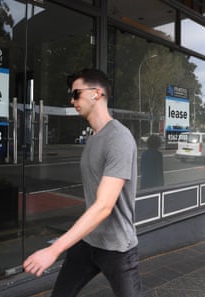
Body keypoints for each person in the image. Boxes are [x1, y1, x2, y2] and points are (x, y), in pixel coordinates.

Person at [23, 69, 142, 297]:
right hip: (88, 242)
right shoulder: (94, 138)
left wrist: (54, 249)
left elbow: (104, 206)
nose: (72, 100)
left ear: (96, 93)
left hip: (117, 248)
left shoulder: (119, 138)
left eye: (76, 94)